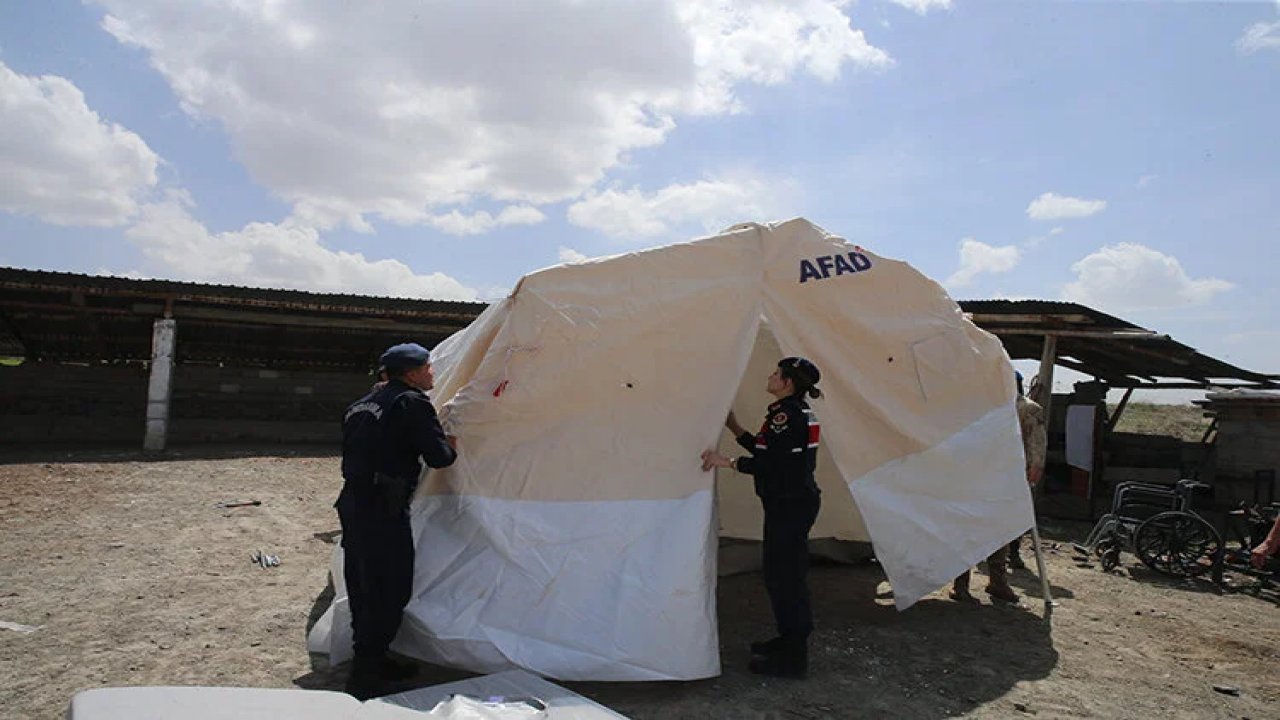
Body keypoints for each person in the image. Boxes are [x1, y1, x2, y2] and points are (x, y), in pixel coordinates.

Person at [336, 342, 457, 699]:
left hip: (354, 503)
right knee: (389, 589)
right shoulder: (411, 403)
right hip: (383, 507)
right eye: (428, 367)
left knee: (362, 584)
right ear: (411, 373)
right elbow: (440, 458)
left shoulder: (360, 405)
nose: (432, 373)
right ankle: (365, 676)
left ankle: (375, 659)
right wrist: (452, 435)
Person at [701, 357, 822, 678]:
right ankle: (787, 640)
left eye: (776, 374)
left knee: (786, 578)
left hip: (790, 505)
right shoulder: (795, 413)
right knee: (782, 574)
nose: (770, 377)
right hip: (792, 503)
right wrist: (735, 427)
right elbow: (767, 450)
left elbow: (773, 465)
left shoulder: (786, 416)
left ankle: (793, 656)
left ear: (787, 382)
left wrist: (726, 462)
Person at [952, 370, 1046, 603]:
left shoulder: (1025, 409)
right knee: (990, 530)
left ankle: (987, 583)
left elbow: (1035, 447)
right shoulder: (990, 408)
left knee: (990, 530)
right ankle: (978, 583)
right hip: (990, 478)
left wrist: (1034, 467)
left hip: (1001, 478)